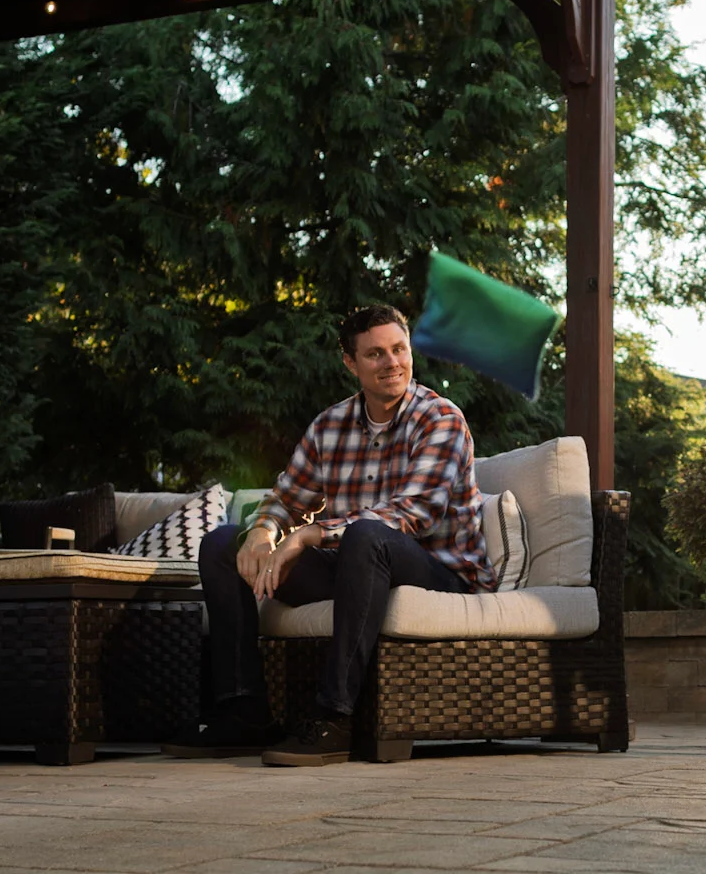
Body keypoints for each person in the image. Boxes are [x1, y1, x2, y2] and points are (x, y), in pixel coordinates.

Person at [163, 304, 493, 768]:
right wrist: (263, 530)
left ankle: (335, 718)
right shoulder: (330, 425)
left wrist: (309, 535)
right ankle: (244, 711)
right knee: (222, 544)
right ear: (350, 363)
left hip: (439, 572)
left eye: (399, 350)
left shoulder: (441, 419)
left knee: (366, 535)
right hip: (358, 564)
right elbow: (286, 496)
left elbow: (414, 514)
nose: (392, 363)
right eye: (375, 354)